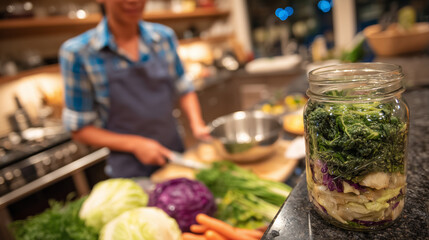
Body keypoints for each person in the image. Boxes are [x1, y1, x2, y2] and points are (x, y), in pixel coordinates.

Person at [59, 0, 210, 178]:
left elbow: (184, 87)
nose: (133, 1)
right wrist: (135, 145)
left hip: (174, 156)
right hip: (129, 170)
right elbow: (79, 130)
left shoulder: (163, 37)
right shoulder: (78, 53)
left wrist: (197, 124)